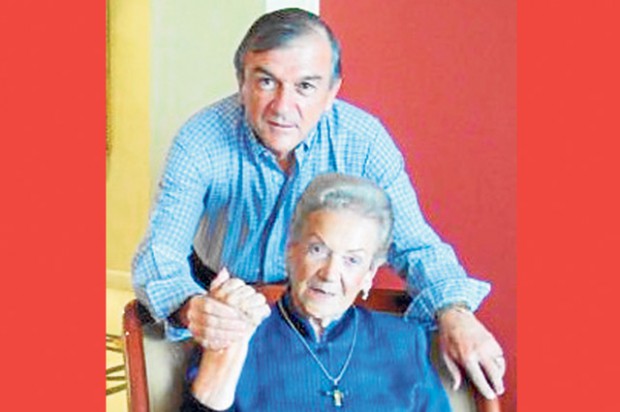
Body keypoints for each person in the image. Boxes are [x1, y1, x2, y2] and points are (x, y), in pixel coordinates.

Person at [133, 8, 505, 399]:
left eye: (305, 86)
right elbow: (159, 254)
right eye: (266, 81)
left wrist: (455, 311)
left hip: (325, 310)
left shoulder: (365, 142)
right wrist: (192, 308)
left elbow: (415, 245)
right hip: (229, 309)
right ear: (242, 82)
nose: (282, 106)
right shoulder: (199, 141)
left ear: (332, 92)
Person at [181, 174, 452, 411]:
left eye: (352, 260)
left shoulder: (405, 341)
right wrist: (226, 355)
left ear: (369, 274)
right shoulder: (237, 332)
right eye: (317, 250)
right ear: (291, 250)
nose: (330, 273)